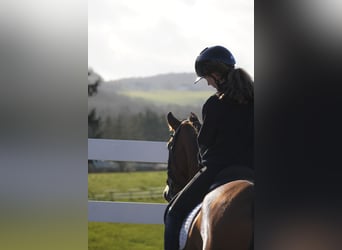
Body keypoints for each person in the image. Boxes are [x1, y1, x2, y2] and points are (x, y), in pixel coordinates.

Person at [164, 45, 254, 250]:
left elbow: (204, 144)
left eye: (207, 79)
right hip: (254, 169)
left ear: (215, 75)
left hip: (218, 169)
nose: (208, 84)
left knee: (173, 213)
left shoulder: (214, 104)